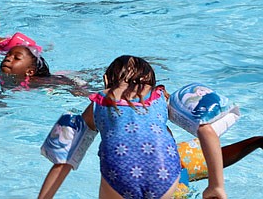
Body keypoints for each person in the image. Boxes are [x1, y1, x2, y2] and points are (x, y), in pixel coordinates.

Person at [37, 56, 226, 199]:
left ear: (105, 80)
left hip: (118, 173)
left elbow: (65, 158)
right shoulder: (160, 96)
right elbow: (206, 130)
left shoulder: (100, 100)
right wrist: (216, 185)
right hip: (164, 173)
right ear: (151, 82)